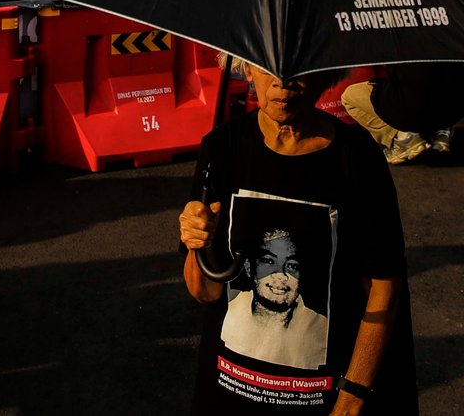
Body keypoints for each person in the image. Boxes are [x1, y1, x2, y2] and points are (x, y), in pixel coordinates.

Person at [179, 59, 418, 415]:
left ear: (327, 74)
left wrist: (352, 396)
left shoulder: (356, 157)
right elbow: (206, 291)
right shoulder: (221, 148)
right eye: (266, 67)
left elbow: (384, 286)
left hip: (323, 399)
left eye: (299, 69)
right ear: (246, 68)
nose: (282, 83)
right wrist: (199, 242)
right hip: (229, 394)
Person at [221, 228, 328, 369]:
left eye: (291, 265)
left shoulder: (319, 328)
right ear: (249, 267)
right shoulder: (230, 310)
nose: (281, 276)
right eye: (269, 261)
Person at [341, 63, 464, 164]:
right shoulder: (450, 37)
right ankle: (440, 132)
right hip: (451, 110)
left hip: (409, 108)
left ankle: (403, 137)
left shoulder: (400, 40)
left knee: (349, 97)